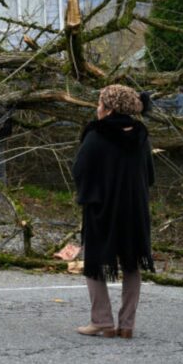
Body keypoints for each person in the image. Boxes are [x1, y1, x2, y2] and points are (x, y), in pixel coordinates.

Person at [71, 84, 155, 339]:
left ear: (108, 109)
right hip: (135, 209)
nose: (97, 109)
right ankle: (127, 324)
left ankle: (102, 321)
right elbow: (149, 175)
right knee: (132, 263)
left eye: (99, 104)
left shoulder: (97, 134)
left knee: (95, 263)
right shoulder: (142, 135)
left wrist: (90, 194)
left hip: (103, 208)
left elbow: (80, 170)